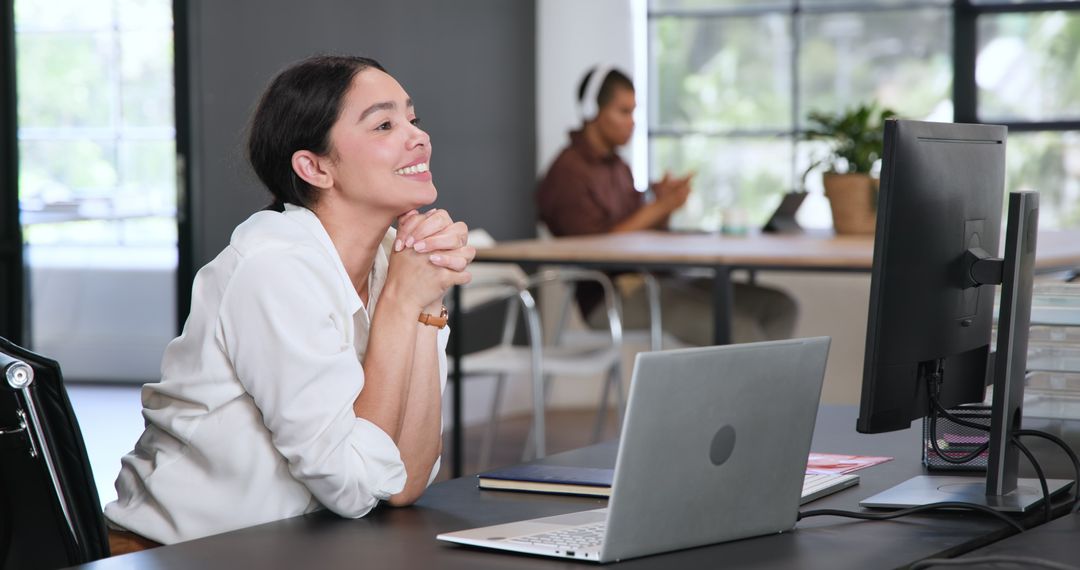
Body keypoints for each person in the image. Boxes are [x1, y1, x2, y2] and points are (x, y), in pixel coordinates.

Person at [103, 55, 475, 550]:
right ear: (315, 167)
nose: (418, 136)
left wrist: (425, 308)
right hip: (178, 553)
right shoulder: (272, 268)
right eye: (385, 124)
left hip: (297, 546)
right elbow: (356, 487)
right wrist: (403, 306)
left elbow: (403, 484)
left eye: (413, 118)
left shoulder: (397, 262)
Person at [537, 66, 797, 346]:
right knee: (740, 330)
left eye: (634, 112)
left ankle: (747, 387)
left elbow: (642, 232)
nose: (632, 122)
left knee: (779, 306)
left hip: (659, 280)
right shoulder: (568, 173)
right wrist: (658, 207)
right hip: (613, 297)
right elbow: (596, 249)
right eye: (624, 112)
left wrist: (663, 206)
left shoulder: (618, 166)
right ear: (592, 112)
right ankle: (745, 387)